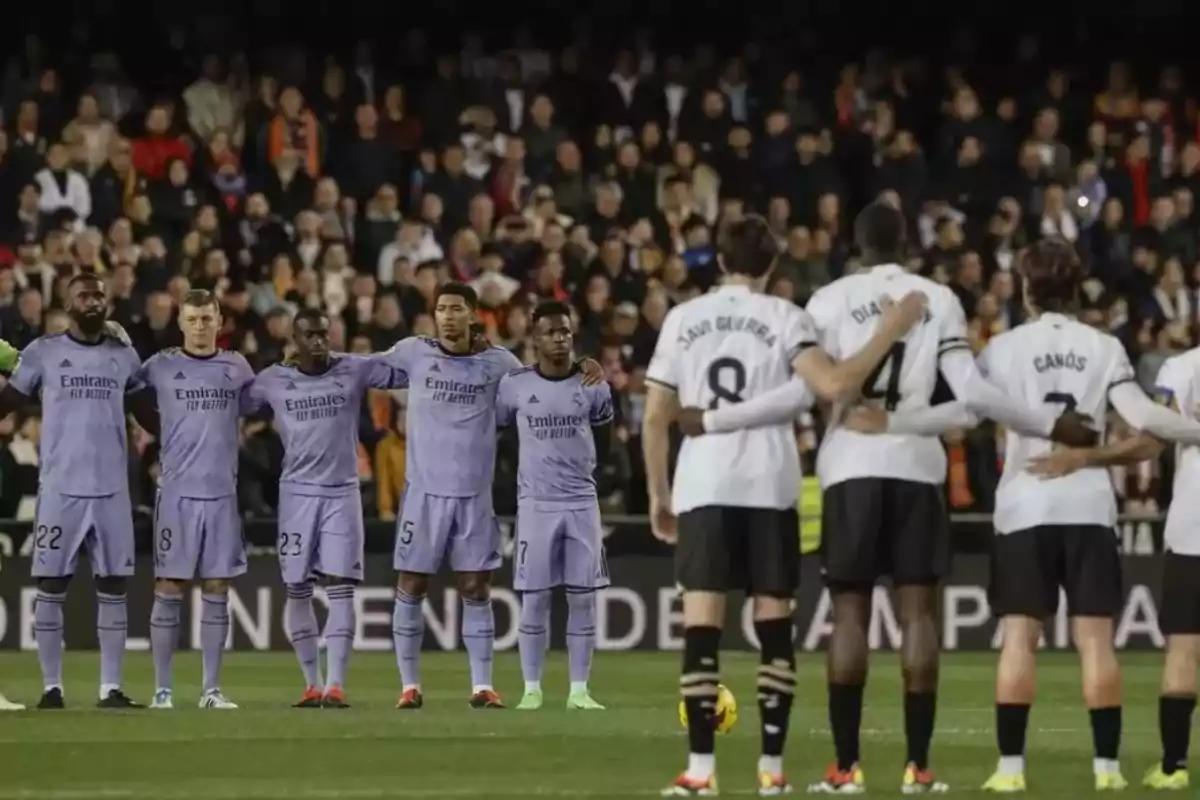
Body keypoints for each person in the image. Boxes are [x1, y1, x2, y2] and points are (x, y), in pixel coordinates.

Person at [681, 208, 1098, 794]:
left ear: (855, 244)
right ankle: (918, 767)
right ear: (907, 244)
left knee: (848, 614)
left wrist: (716, 418)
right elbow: (974, 397)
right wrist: (1054, 422)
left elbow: (806, 392)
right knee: (919, 615)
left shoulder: (826, 300)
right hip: (918, 468)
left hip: (848, 465)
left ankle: (845, 768)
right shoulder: (937, 297)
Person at [841, 238, 1200, 792]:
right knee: (1097, 641)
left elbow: (967, 409)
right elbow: (1144, 416)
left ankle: (1010, 770)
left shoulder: (1003, 348)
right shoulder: (1105, 347)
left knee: (1018, 640)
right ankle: (1107, 771)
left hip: (1024, 505)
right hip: (1088, 505)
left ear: (1028, 290)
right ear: (1077, 288)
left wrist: (893, 425)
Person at [642, 214, 929, 797]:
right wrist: (890, 330)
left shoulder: (682, 318)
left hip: (703, 482)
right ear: (773, 263)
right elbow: (824, 388)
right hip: (770, 485)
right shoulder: (786, 317)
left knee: (702, 631)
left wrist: (658, 494)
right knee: (774, 631)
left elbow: (655, 415)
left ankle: (700, 771)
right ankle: (772, 769)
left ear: (719, 259)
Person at [384, 282, 603, 710]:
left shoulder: (500, 364)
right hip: (423, 493)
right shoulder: (413, 352)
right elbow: (365, 369)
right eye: (441, 308)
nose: (448, 316)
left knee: (476, 586)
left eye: (456, 309)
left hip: (473, 495)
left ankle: (482, 686)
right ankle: (409, 686)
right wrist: (322, 364)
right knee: (411, 582)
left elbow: (543, 379)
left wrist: (582, 364)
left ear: (473, 315)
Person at [0, 273, 158, 709]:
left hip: (111, 489)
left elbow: (150, 416)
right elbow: (8, 404)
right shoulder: (43, 353)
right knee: (51, 583)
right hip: (60, 489)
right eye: (84, 295)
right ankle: (52, 687)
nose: (93, 301)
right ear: (67, 304)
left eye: (99, 295)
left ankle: (110, 688)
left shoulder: (123, 356)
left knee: (113, 585)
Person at [244, 307, 406, 708]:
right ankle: (311, 682)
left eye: (324, 334)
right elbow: (231, 403)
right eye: (309, 335)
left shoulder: (353, 369)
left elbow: (403, 370)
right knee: (297, 588)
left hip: (341, 493)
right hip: (296, 495)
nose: (319, 341)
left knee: (340, 588)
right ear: (294, 341)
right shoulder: (272, 380)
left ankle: (335, 684)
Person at [138, 289, 256, 710]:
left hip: (222, 495)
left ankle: (211, 689)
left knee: (217, 587)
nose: (201, 327)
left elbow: (257, 407)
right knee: (169, 585)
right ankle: (163, 690)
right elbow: (132, 394)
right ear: (181, 323)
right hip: (177, 495)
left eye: (208, 319)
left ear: (220, 321)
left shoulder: (236, 367)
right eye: (193, 319)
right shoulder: (162, 366)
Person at [495, 300, 613, 712]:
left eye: (565, 331)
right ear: (535, 339)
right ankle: (532, 689)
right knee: (535, 598)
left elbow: (608, 440)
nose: (559, 338)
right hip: (536, 505)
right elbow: (499, 436)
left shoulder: (593, 385)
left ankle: (579, 691)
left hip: (581, 502)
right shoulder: (513, 386)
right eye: (550, 332)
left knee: (583, 598)